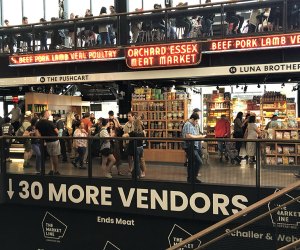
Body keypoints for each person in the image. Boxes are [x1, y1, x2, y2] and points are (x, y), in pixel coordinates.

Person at [35, 110, 61, 175]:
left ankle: (51, 169)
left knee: (51, 156)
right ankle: (56, 170)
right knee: (55, 156)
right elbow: (57, 132)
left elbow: (37, 134)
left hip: (47, 141)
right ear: (44, 114)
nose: (49, 115)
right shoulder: (50, 122)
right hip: (54, 140)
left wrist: (42, 140)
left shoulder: (38, 123)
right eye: (48, 114)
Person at [182, 112, 205, 183]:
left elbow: (194, 134)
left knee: (191, 163)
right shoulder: (188, 124)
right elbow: (188, 136)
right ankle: (193, 177)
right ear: (192, 119)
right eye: (196, 121)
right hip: (190, 146)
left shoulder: (192, 125)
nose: (196, 123)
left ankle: (191, 178)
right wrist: (200, 136)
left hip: (194, 146)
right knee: (199, 161)